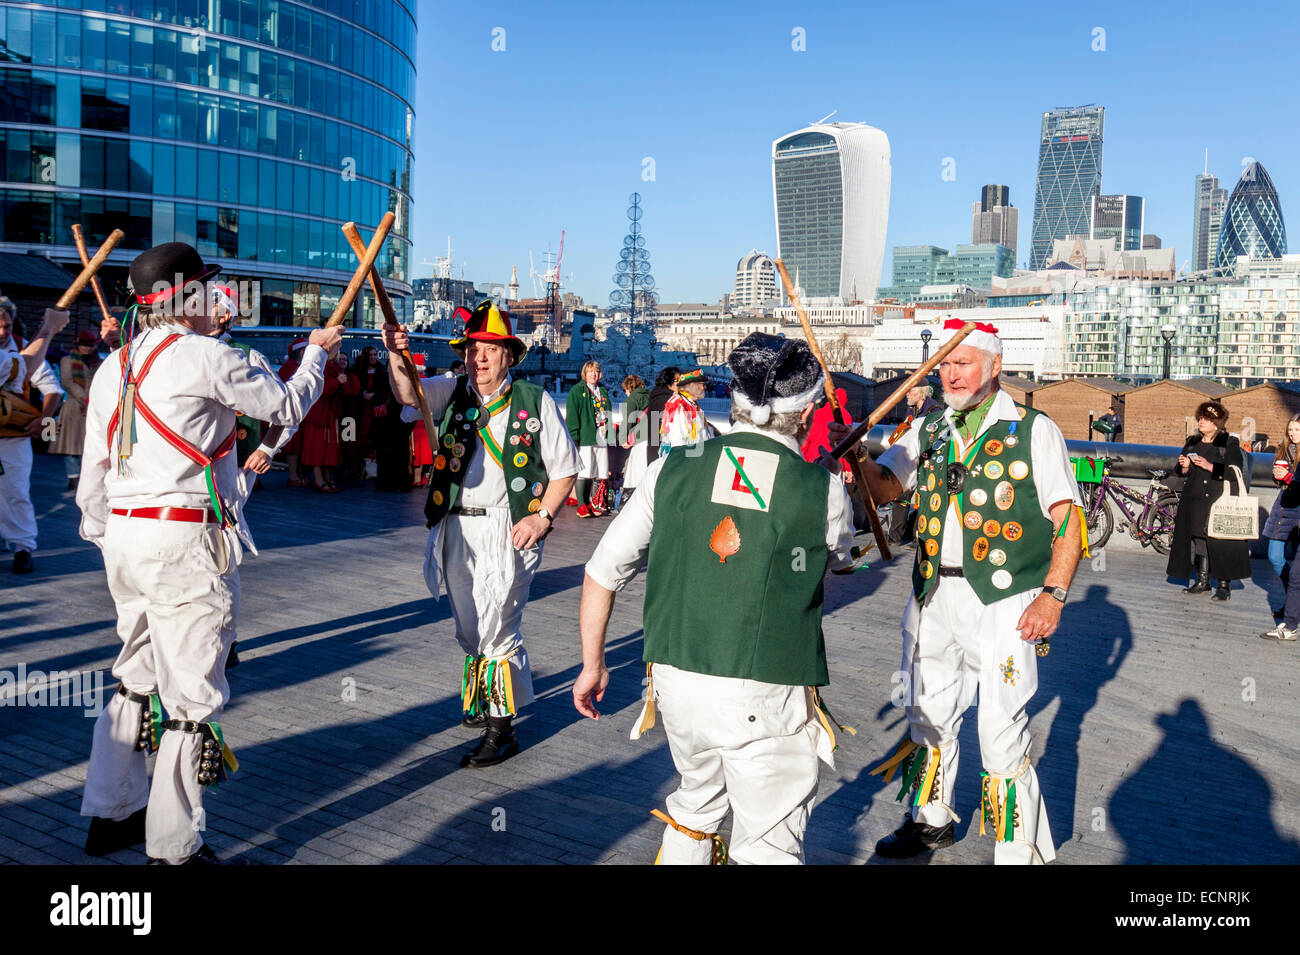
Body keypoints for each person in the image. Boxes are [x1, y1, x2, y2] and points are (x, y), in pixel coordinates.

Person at [76, 241, 339, 864]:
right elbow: (284, 407)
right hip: (184, 541)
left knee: (134, 679)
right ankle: (173, 847)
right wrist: (315, 358)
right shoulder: (206, 356)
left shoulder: (114, 367)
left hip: (124, 538)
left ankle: (112, 814)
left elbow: (93, 479)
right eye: (204, 288)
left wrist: (109, 539)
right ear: (185, 296)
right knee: (193, 698)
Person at [575, 333, 855, 864]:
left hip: (678, 685)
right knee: (769, 843)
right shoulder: (823, 490)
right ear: (806, 408)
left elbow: (601, 572)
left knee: (695, 808)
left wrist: (593, 663)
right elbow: (839, 557)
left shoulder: (673, 468)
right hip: (764, 689)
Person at [846, 318, 1084, 864]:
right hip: (933, 591)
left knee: (1000, 728)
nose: (950, 375)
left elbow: (1067, 518)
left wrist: (1054, 594)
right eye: (944, 365)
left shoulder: (1031, 429)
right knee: (926, 712)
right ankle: (930, 822)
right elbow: (884, 489)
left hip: (1005, 598)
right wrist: (859, 454)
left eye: (963, 363)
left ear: (995, 366)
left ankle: (1016, 848)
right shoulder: (928, 429)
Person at [383, 300, 578, 767]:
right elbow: (408, 395)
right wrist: (395, 353)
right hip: (454, 522)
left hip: (507, 526)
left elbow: (566, 469)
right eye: (473, 349)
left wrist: (542, 518)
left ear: (509, 356)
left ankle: (502, 729)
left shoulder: (534, 401)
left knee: (498, 625)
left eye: (490, 349)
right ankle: (482, 696)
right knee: (469, 625)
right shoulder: (452, 392)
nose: (480, 358)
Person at [0, 298, 69, 574]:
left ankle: (22, 547)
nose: (3, 332)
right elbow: (23, 367)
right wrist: (49, 329)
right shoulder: (21, 355)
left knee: (16, 491)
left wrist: (45, 420)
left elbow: (53, 389)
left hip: (13, 436)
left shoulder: (24, 345)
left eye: (6, 326)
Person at [1167, 400, 1250, 601]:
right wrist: (1185, 466)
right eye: (1200, 418)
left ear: (1216, 423)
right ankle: (1202, 581)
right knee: (1198, 538)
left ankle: (1223, 586)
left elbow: (1234, 470)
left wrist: (1209, 466)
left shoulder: (1228, 442)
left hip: (1217, 498)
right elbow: (1181, 472)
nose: (1201, 421)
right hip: (1193, 498)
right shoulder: (1192, 441)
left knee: (1220, 540)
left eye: (1206, 418)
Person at [51, 330, 100, 490]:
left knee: (90, 446)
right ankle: (73, 477)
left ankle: (87, 478)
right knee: (71, 445)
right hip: (74, 406)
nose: (87, 348)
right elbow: (66, 382)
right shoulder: (67, 360)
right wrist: (84, 397)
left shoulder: (97, 361)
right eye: (85, 345)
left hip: (93, 407)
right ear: (78, 345)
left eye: (90, 345)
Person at [301, 352, 357, 492]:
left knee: (329, 448)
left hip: (331, 413)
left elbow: (351, 390)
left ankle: (326, 478)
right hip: (320, 414)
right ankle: (319, 480)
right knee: (318, 449)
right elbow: (319, 389)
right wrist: (337, 382)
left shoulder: (335, 369)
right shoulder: (319, 368)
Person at [1263, 414, 1300, 618]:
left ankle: (1292, 605)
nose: (1292, 433)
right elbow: (1282, 481)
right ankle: (1295, 597)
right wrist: (1278, 476)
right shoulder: (1285, 451)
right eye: (1290, 430)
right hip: (1282, 509)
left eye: (1296, 429)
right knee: (1274, 556)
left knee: (1296, 561)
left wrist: (1288, 477)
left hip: (1298, 511)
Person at [566, 360, 612, 517]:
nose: (594, 374)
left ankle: (588, 502)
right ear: (585, 374)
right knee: (584, 470)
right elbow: (573, 416)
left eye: (596, 371)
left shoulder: (603, 390)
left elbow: (608, 412)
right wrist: (575, 437)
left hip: (601, 434)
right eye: (591, 371)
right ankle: (581, 504)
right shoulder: (577, 391)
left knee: (595, 470)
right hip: (586, 435)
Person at [660, 368, 712, 456]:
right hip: (685, 461)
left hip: (695, 458)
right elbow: (677, 441)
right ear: (692, 385)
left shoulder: (691, 404)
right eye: (702, 384)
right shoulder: (678, 405)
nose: (705, 387)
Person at [619, 374, 649, 505]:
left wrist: (623, 439)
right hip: (653, 437)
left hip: (639, 439)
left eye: (625, 390)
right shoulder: (650, 396)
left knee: (635, 473)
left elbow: (628, 421)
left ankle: (631, 503)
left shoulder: (631, 400)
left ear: (628, 388)